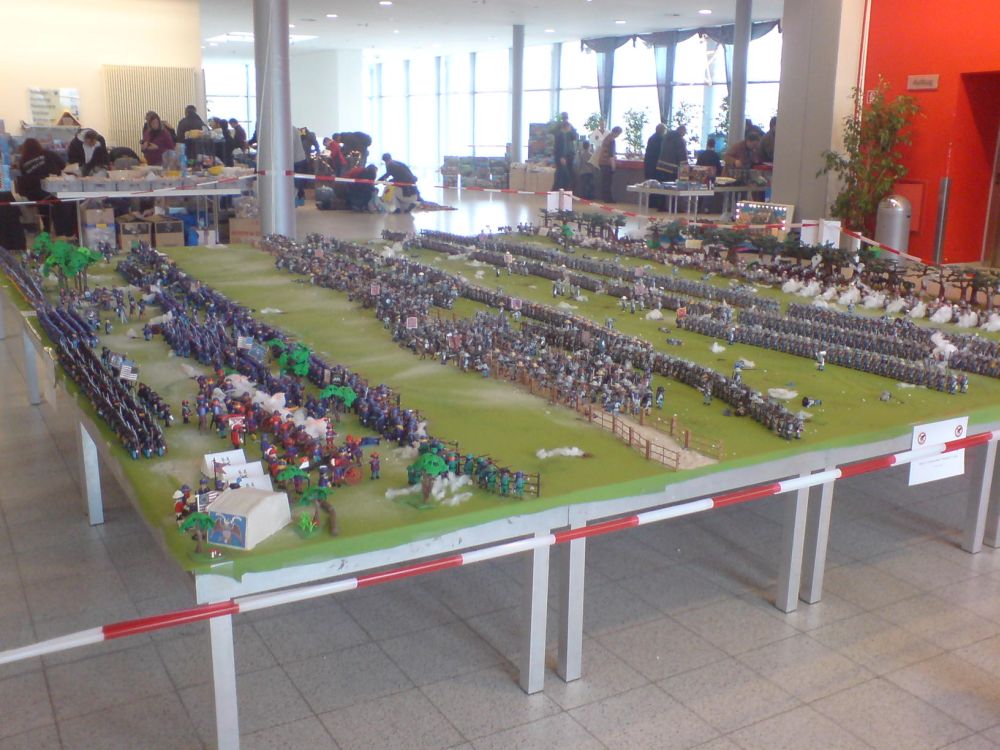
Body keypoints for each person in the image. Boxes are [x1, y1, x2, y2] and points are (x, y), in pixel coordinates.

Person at [15, 138, 75, 236]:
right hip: (55, 189)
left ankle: (46, 228)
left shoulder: (23, 161)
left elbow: (25, 178)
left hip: (35, 194)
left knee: (44, 203)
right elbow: (63, 166)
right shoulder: (49, 154)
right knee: (63, 202)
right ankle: (65, 232)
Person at [594, 126, 621, 203]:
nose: (618, 136)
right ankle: (608, 199)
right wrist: (613, 166)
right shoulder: (612, 140)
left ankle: (605, 198)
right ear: (617, 133)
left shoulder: (607, 138)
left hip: (602, 161)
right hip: (607, 163)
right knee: (608, 182)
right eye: (619, 134)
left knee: (604, 181)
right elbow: (611, 155)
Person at [551, 115, 577, 191]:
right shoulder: (561, 134)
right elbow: (561, 147)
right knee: (564, 177)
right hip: (562, 158)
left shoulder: (560, 133)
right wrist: (562, 157)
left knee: (561, 176)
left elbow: (574, 137)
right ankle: (558, 192)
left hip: (563, 157)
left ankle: (558, 191)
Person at [644, 123, 666, 209]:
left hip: (649, 164)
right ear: (662, 130)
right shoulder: (661, 139)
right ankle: (657, 203)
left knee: (651, 185)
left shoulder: (651, 138)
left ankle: (651, 203)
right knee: (657, 185)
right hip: (657, 165)